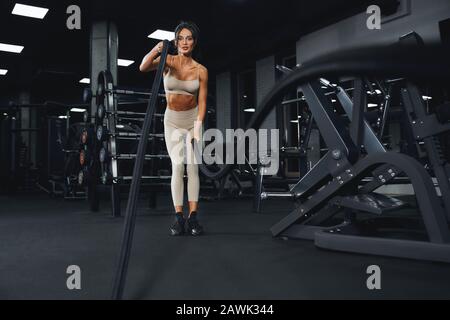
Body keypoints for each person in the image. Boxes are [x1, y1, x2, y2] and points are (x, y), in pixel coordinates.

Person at [139, 21, 208, 236]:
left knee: (193, 168)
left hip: (193, 119)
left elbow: (203, 101)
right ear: (176, 41)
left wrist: (198, 125)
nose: (185, 42)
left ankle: (193, 217)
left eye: (189, 38)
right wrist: (157, 48)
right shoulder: (166, 62)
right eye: (181, 38)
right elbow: (143, 67)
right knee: (178, 166)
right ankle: (179, 217)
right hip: (172, 121)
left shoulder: (201, 70)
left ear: (194, 42)